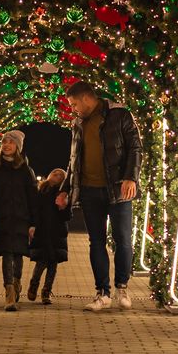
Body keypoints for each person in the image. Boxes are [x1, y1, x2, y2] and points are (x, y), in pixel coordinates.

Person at [56, 81, 142, 311]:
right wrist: (65, 189)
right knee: (96, 242)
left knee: (123, 240)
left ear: (86, 99)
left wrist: (130, 177)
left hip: (118, 188)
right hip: (89, 190)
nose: (73, 109)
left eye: (74, 104)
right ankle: (102, 293)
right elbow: (73, 160)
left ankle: (122, 287)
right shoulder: (78, 123)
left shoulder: (119, 115)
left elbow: (135, 147)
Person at [0, 130, 38, 311]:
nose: (7, 145)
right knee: (7, 253)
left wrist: (33, 223)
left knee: (17, 253)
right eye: (4, 142)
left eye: (11, 142)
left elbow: (33, 198)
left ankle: (16, 282)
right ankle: (9, 292)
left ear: (18, 147)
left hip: (21, 218)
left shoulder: (25, 170)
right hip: (2, 217)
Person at [28, 168, 69, 305]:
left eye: (60, 175)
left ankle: (47, 290)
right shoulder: (41, 191)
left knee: (53, 263)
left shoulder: (63, 194)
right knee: (42, 261)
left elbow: (67, 216)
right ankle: (34, 284)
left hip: (57, 233)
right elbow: (34, 210)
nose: (57, 176)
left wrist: (63, 207)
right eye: (55, 173)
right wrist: (32, 225)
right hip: (42, 231)